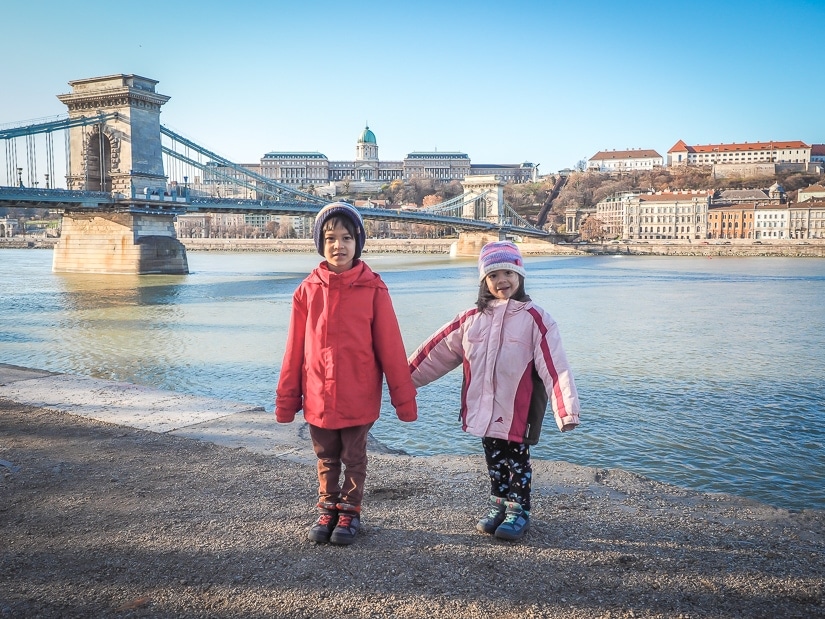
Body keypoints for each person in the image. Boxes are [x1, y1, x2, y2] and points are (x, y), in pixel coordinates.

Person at [408, 240, 580, 541]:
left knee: (518, 460)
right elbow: (435, 353)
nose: (502, 280)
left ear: (520, 276)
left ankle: (519, 511)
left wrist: (565, 410)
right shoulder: (470, 320)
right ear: (484, 281)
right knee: (494, 459)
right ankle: (498, 505)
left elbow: (556, 367)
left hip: (519, 409)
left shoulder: (537, 320)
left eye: (508, 273)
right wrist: (401, 381)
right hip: (484, 408)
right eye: (493, 275)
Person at [275, 201, 417, 545]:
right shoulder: (306, 291)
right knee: (325, 458)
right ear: (321, 245)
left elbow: (391, 349)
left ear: (358, 243)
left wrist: (404, 400)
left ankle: (350, 511)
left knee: (354, 457)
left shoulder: (374, 289)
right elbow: (294, 350)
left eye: (346, 238)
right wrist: (287, 399)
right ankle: (327, 507)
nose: (338, 245)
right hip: (318, 395)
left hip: (358, 394)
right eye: (330, 239)